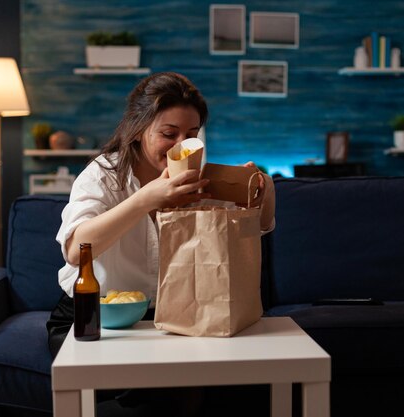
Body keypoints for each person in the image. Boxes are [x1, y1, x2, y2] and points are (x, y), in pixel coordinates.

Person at [46, 72, 275, 416]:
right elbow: (76, 249)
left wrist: (263, 189)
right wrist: (144, 200)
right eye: (169, 134)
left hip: (172, 321)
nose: (182, 145)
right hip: (96, 319)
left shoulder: (200, 180)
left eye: (192, 135)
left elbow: (258, 225)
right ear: (138, 130)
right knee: (172, 393)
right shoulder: (103, 175)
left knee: (218, 385)